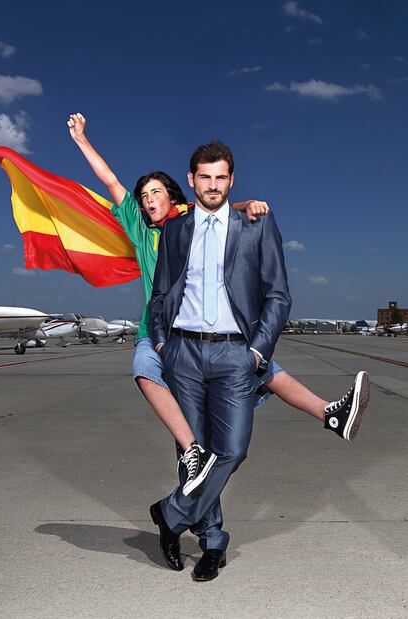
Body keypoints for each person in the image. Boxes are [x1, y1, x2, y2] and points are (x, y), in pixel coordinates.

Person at [68, 115, 370, 502]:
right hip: (162, 332)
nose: (148, 200)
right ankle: (191, 451)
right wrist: (82, 140)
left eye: (156, 192)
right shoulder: (141, 227)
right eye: (143, 196)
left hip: (210, 337)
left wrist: (248, 205)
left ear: (175, 195)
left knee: (262, 366)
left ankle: (330, 413)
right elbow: (110, 179)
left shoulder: (189, 221)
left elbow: (217, 205)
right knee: (143, 369)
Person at [149, 140, 369, 581]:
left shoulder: (255, 225)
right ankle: (213, 542)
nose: (213, 185)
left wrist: (257, 350)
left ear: (232, 180)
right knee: (192, 451)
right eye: (205, 177)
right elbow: (162, 291)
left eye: (221, 177)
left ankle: (170, 516)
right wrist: (160, 343)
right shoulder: (176, 230)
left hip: (235, 352)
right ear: (191, 181)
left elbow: (278, 294)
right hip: (183, 351)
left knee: (232, 449)